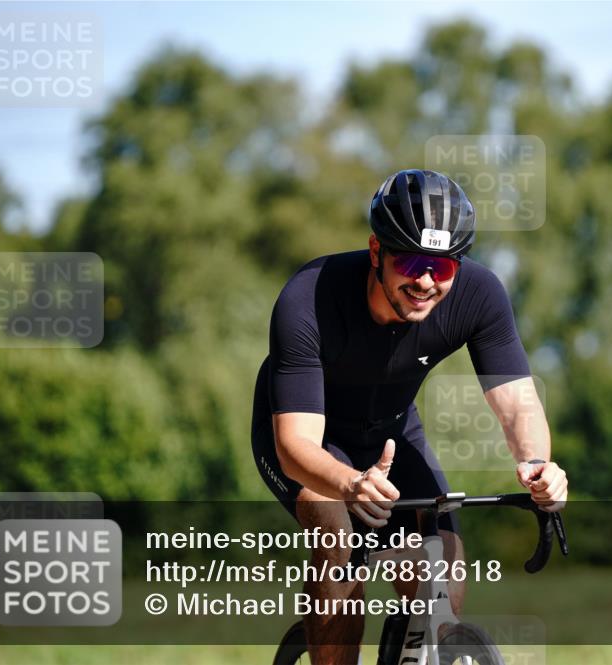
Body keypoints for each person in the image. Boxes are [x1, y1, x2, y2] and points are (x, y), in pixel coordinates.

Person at [251, 169, 567, 664]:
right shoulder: (308, 299)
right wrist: (351, 485)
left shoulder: (479, 295)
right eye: (412, 262)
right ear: (377, 252)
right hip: (309, 438)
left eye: (442, 268)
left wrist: (538, 465)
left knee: (442, 565)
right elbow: (296, 446)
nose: (425, 281)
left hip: (390, 434)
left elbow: (518, 403)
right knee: (337, 537)